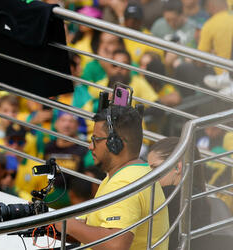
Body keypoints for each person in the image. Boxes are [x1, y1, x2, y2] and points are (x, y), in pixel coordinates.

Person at [67, 105, 169, 250]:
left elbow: (116, 245)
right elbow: (101, 229)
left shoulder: (124, 182)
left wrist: (70, 226)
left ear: (116, 143)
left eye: (96, 139)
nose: (90, 146)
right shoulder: (135, 172)